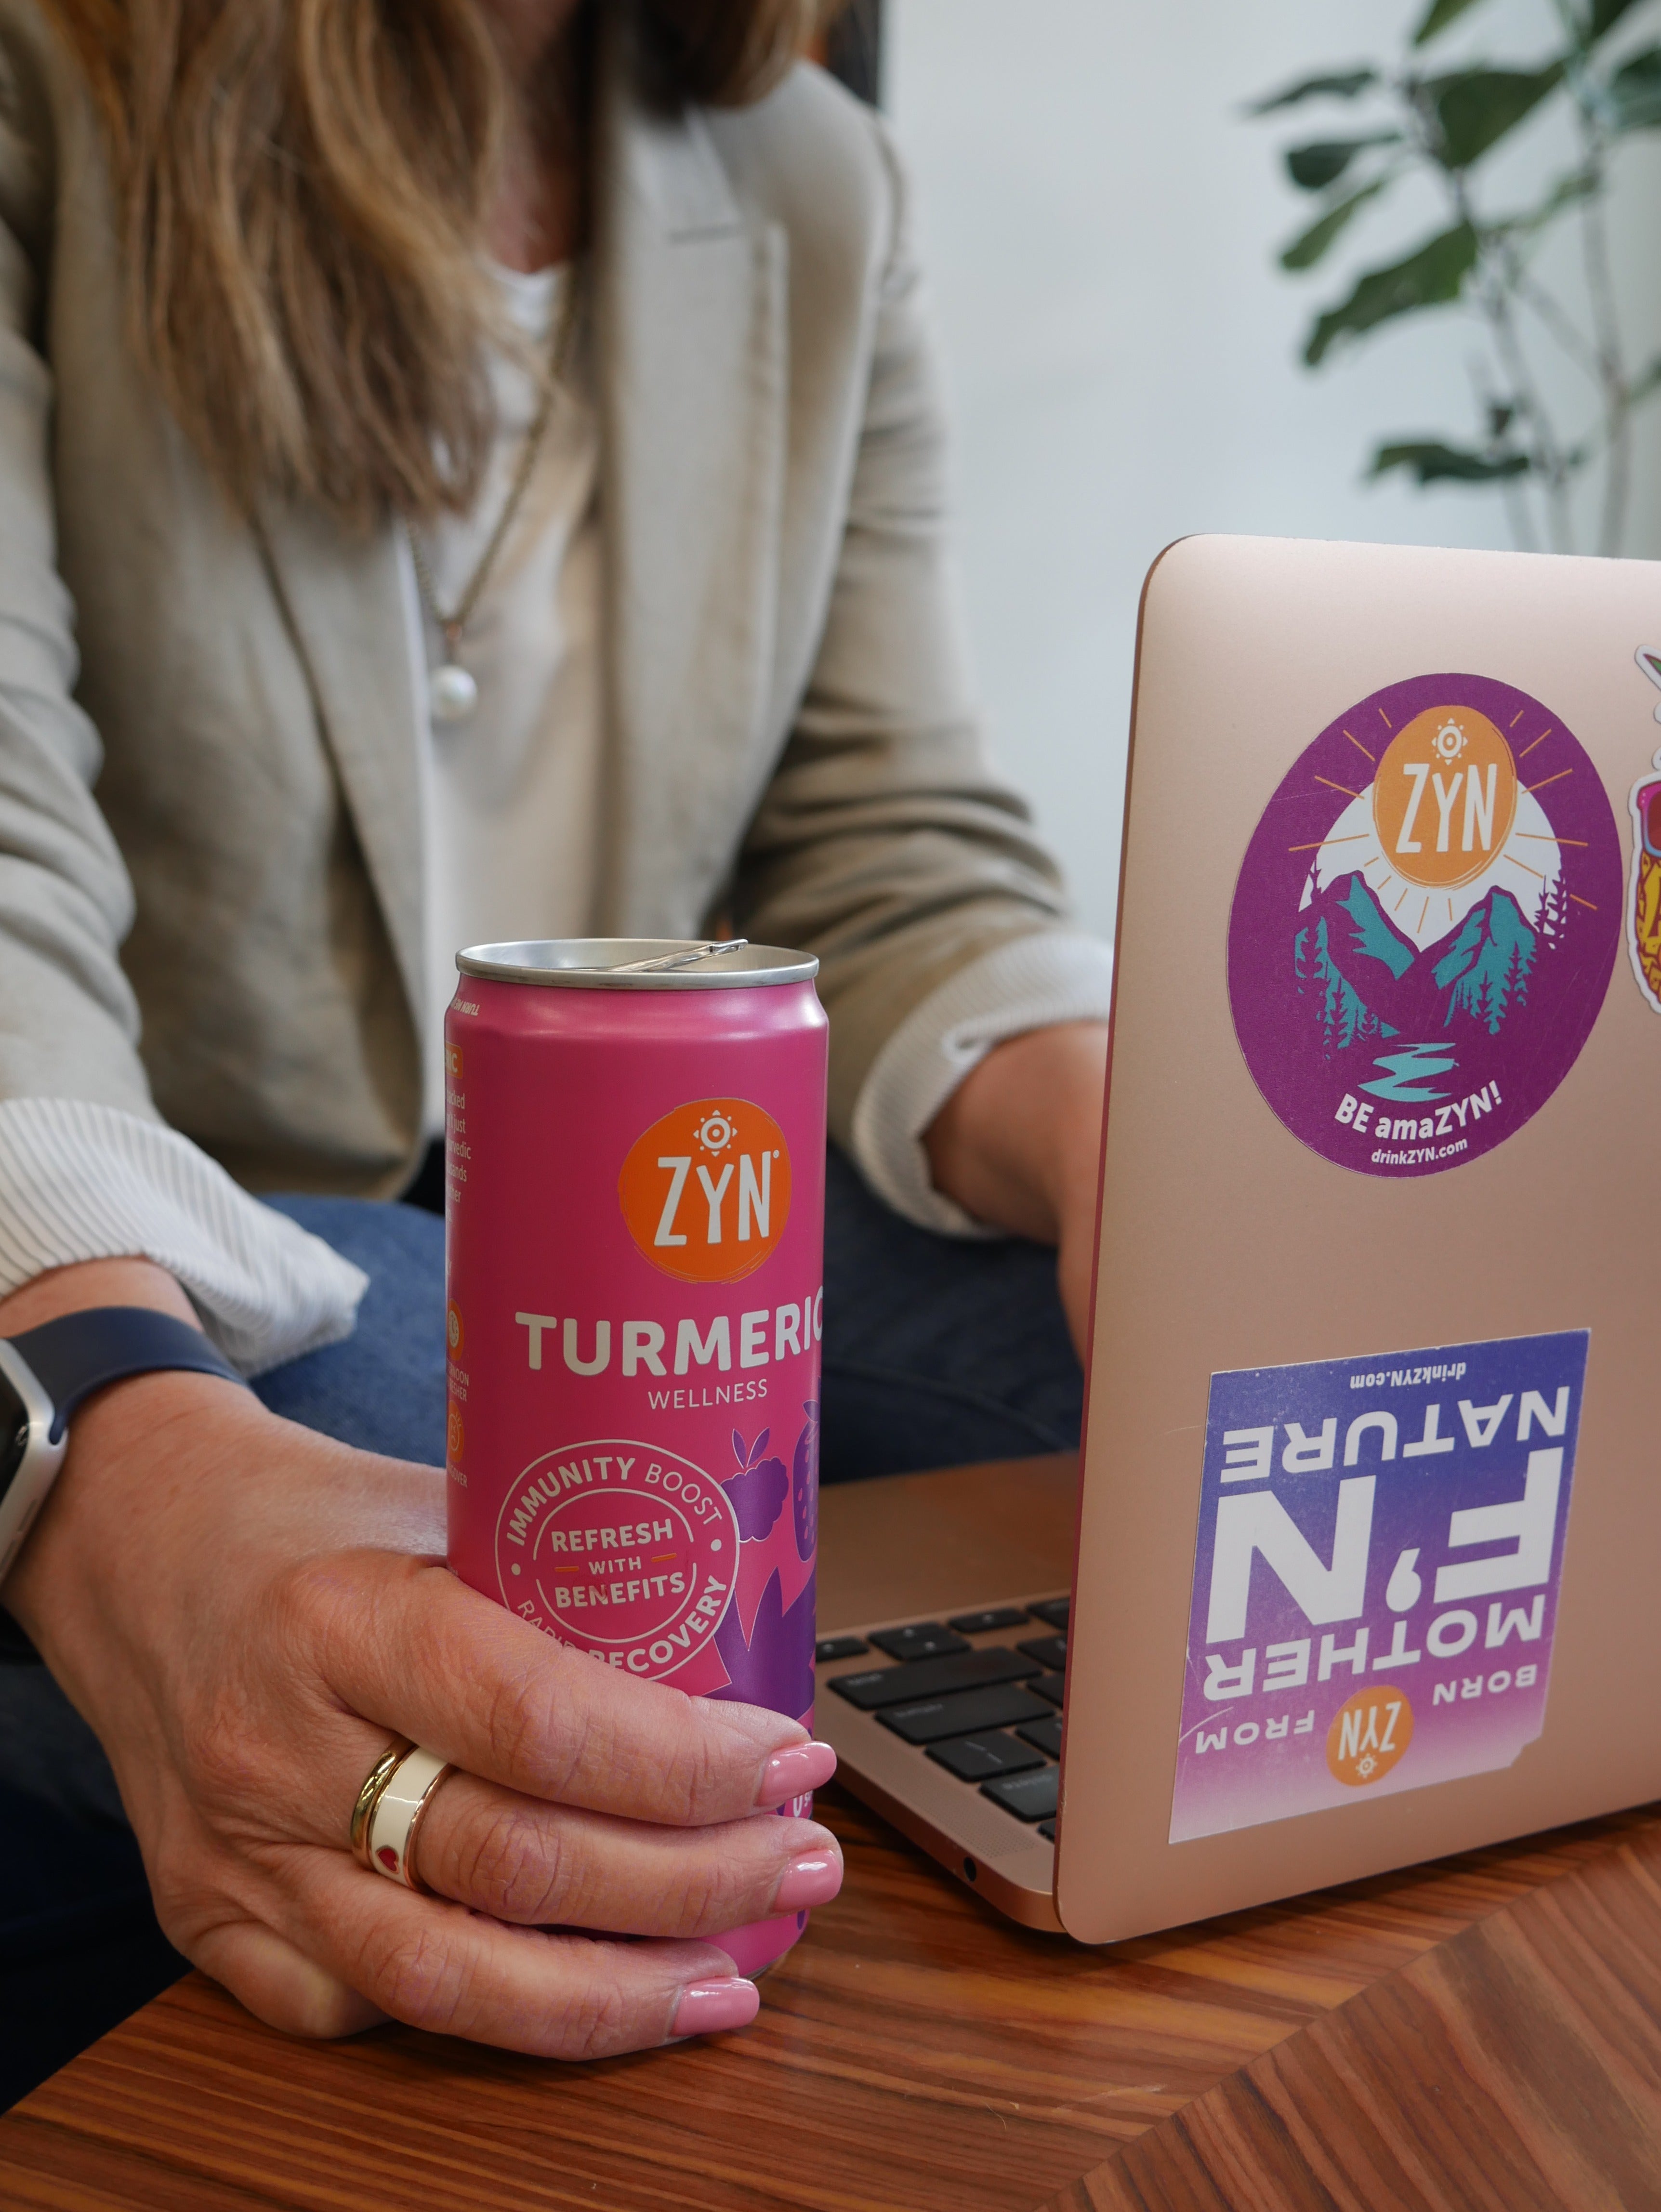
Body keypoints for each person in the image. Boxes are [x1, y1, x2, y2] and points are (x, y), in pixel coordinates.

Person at [0, 0, 1113, 2080]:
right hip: (203, 1223)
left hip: (646, 1184)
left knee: (1128, 1369)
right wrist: (108, 1412)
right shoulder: (51, 79)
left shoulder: (810, 182)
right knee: (427, 1451)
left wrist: (1114, 1135)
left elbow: (884, 839)